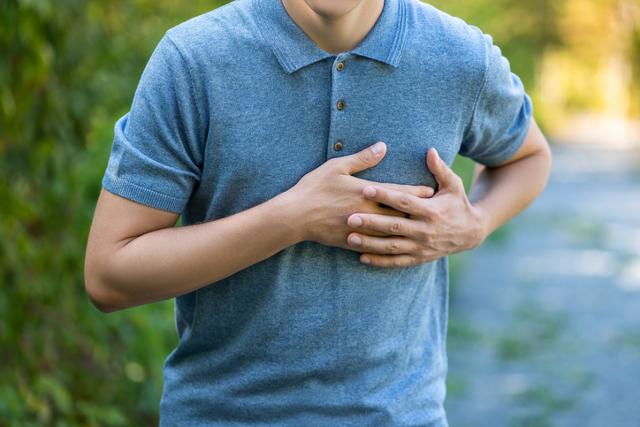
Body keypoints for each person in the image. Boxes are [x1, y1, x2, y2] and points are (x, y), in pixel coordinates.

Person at [84, 0, 552, 425]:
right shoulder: (194, 60)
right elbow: (109, 276)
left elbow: (528, 157)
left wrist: (475, 224)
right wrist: (292, 218)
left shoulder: (460, 56)